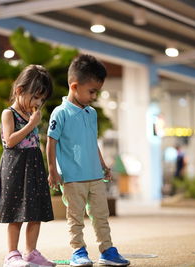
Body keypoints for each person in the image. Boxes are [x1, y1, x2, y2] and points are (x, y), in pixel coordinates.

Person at [47, 54, 130, 267]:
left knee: (101, 215)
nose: (94, 96)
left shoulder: (91, 113)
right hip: (73, 177)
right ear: (74, 86)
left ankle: (107, 251)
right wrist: (52, 171)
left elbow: (92, 142)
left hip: (94, 175)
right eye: (91, 91)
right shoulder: (60, 113)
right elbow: (51, 142)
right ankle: (78, 251)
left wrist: (102, 165)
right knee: (75, 218)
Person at [0, 64, 55, 267]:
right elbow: (9, 141)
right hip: (15, 166)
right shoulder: (9, 113)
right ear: (19, 90)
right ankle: (12, 254)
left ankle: (30, 252)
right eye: (36, 97)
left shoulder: (32, 114)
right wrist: (31, 124)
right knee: (16, 213)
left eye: (42, 99)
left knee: (35, 211)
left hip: (33, 165)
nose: (38, 103)